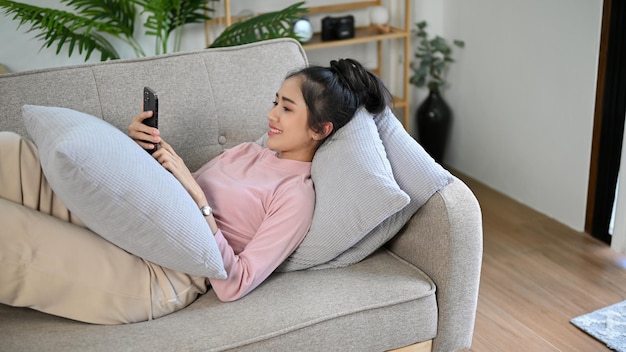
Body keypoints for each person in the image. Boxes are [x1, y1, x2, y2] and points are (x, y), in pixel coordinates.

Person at [0, 58, 392, 324]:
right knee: (13, 153)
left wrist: (201, 202)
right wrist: (143, 150)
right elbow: (173, 196)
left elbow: (234, 283)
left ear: (319, 130)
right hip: (139, 226)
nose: (271, 115)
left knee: (9, 233)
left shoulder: (296, 197)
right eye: (275, 102)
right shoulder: (246, 152)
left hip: (161, 275)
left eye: (287, 109)